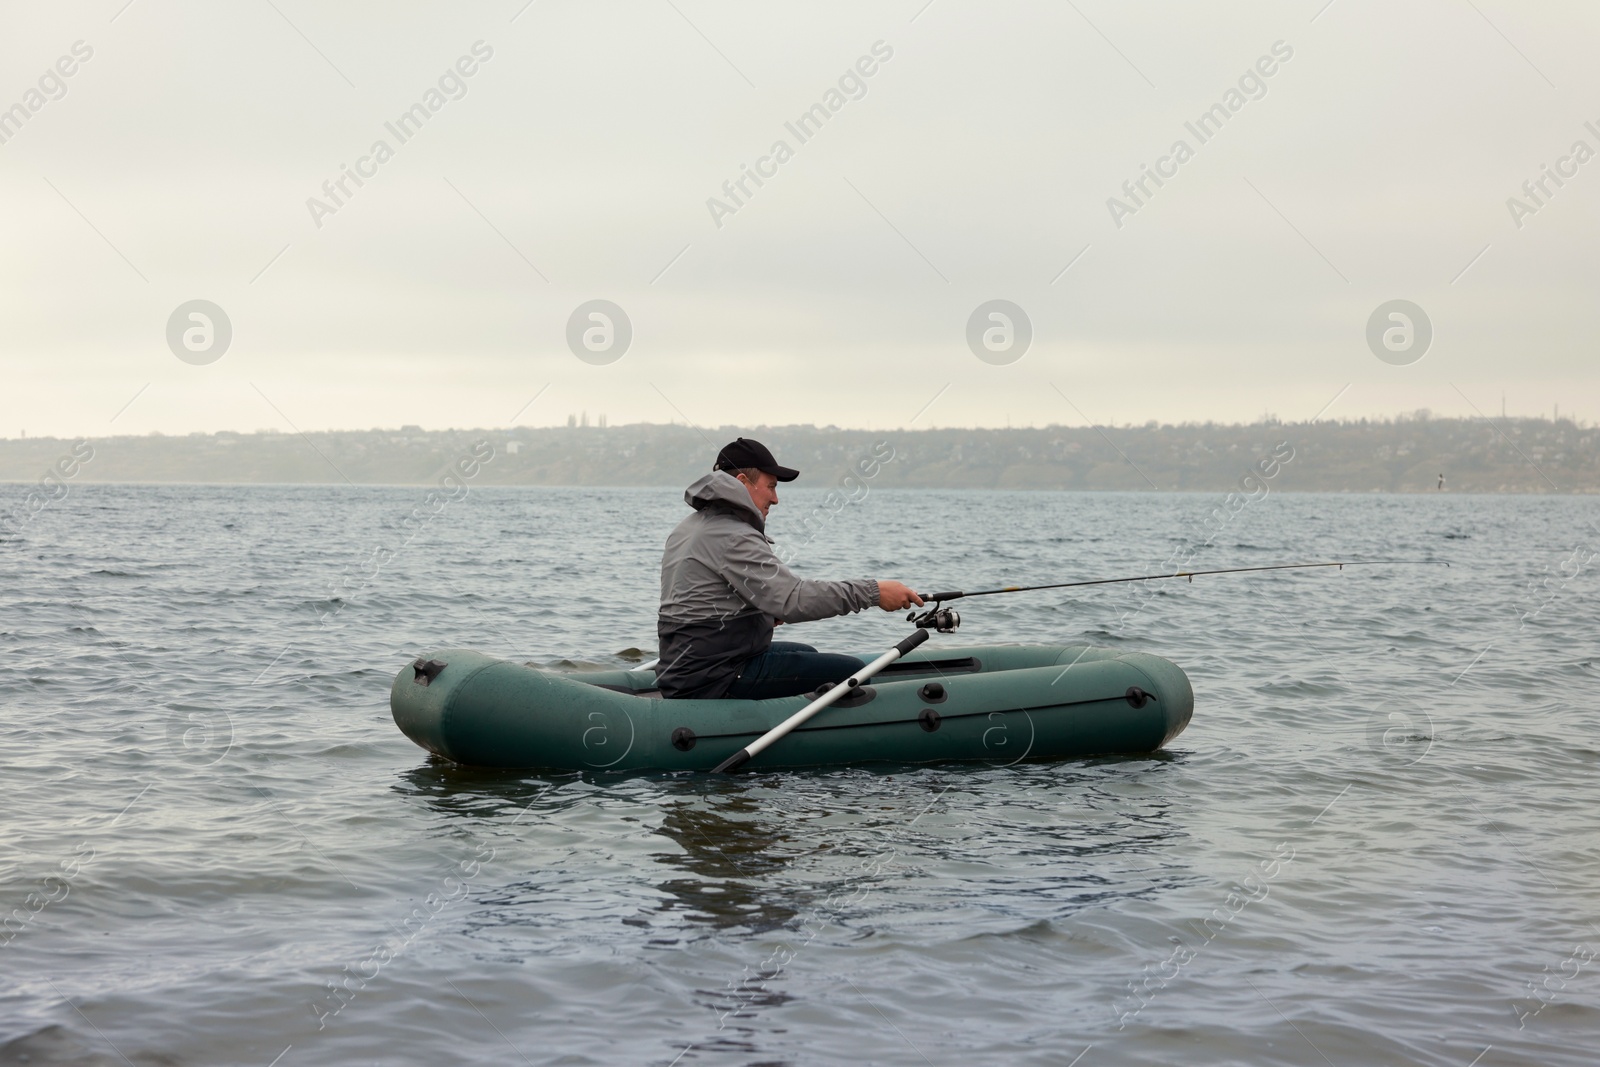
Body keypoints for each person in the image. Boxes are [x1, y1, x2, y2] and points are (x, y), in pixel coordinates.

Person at [656, 437, 923, 700]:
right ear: (741, 483)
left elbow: (704, 603)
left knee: (806, 651)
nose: (775, 499)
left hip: (693, 666)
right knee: (852, 672)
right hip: (713, 677)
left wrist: (762, 614)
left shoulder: (691, 527)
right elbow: (793, 600)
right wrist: (873, 592)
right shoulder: (733, 535)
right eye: (770, 486)